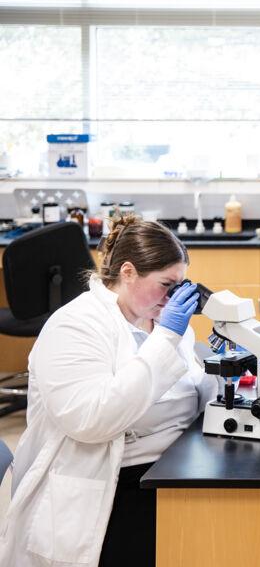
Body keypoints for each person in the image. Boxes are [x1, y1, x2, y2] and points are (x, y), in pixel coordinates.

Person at [0, 215, 217, 567]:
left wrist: (220, 372)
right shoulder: (75, 326)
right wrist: (165, 340)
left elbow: (187, 390)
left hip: (175, 469)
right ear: (127, 272)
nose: (174, 297)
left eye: (180, 285)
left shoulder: (158, 317)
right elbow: (93, 419)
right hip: (112, 487)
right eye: (166, 284)